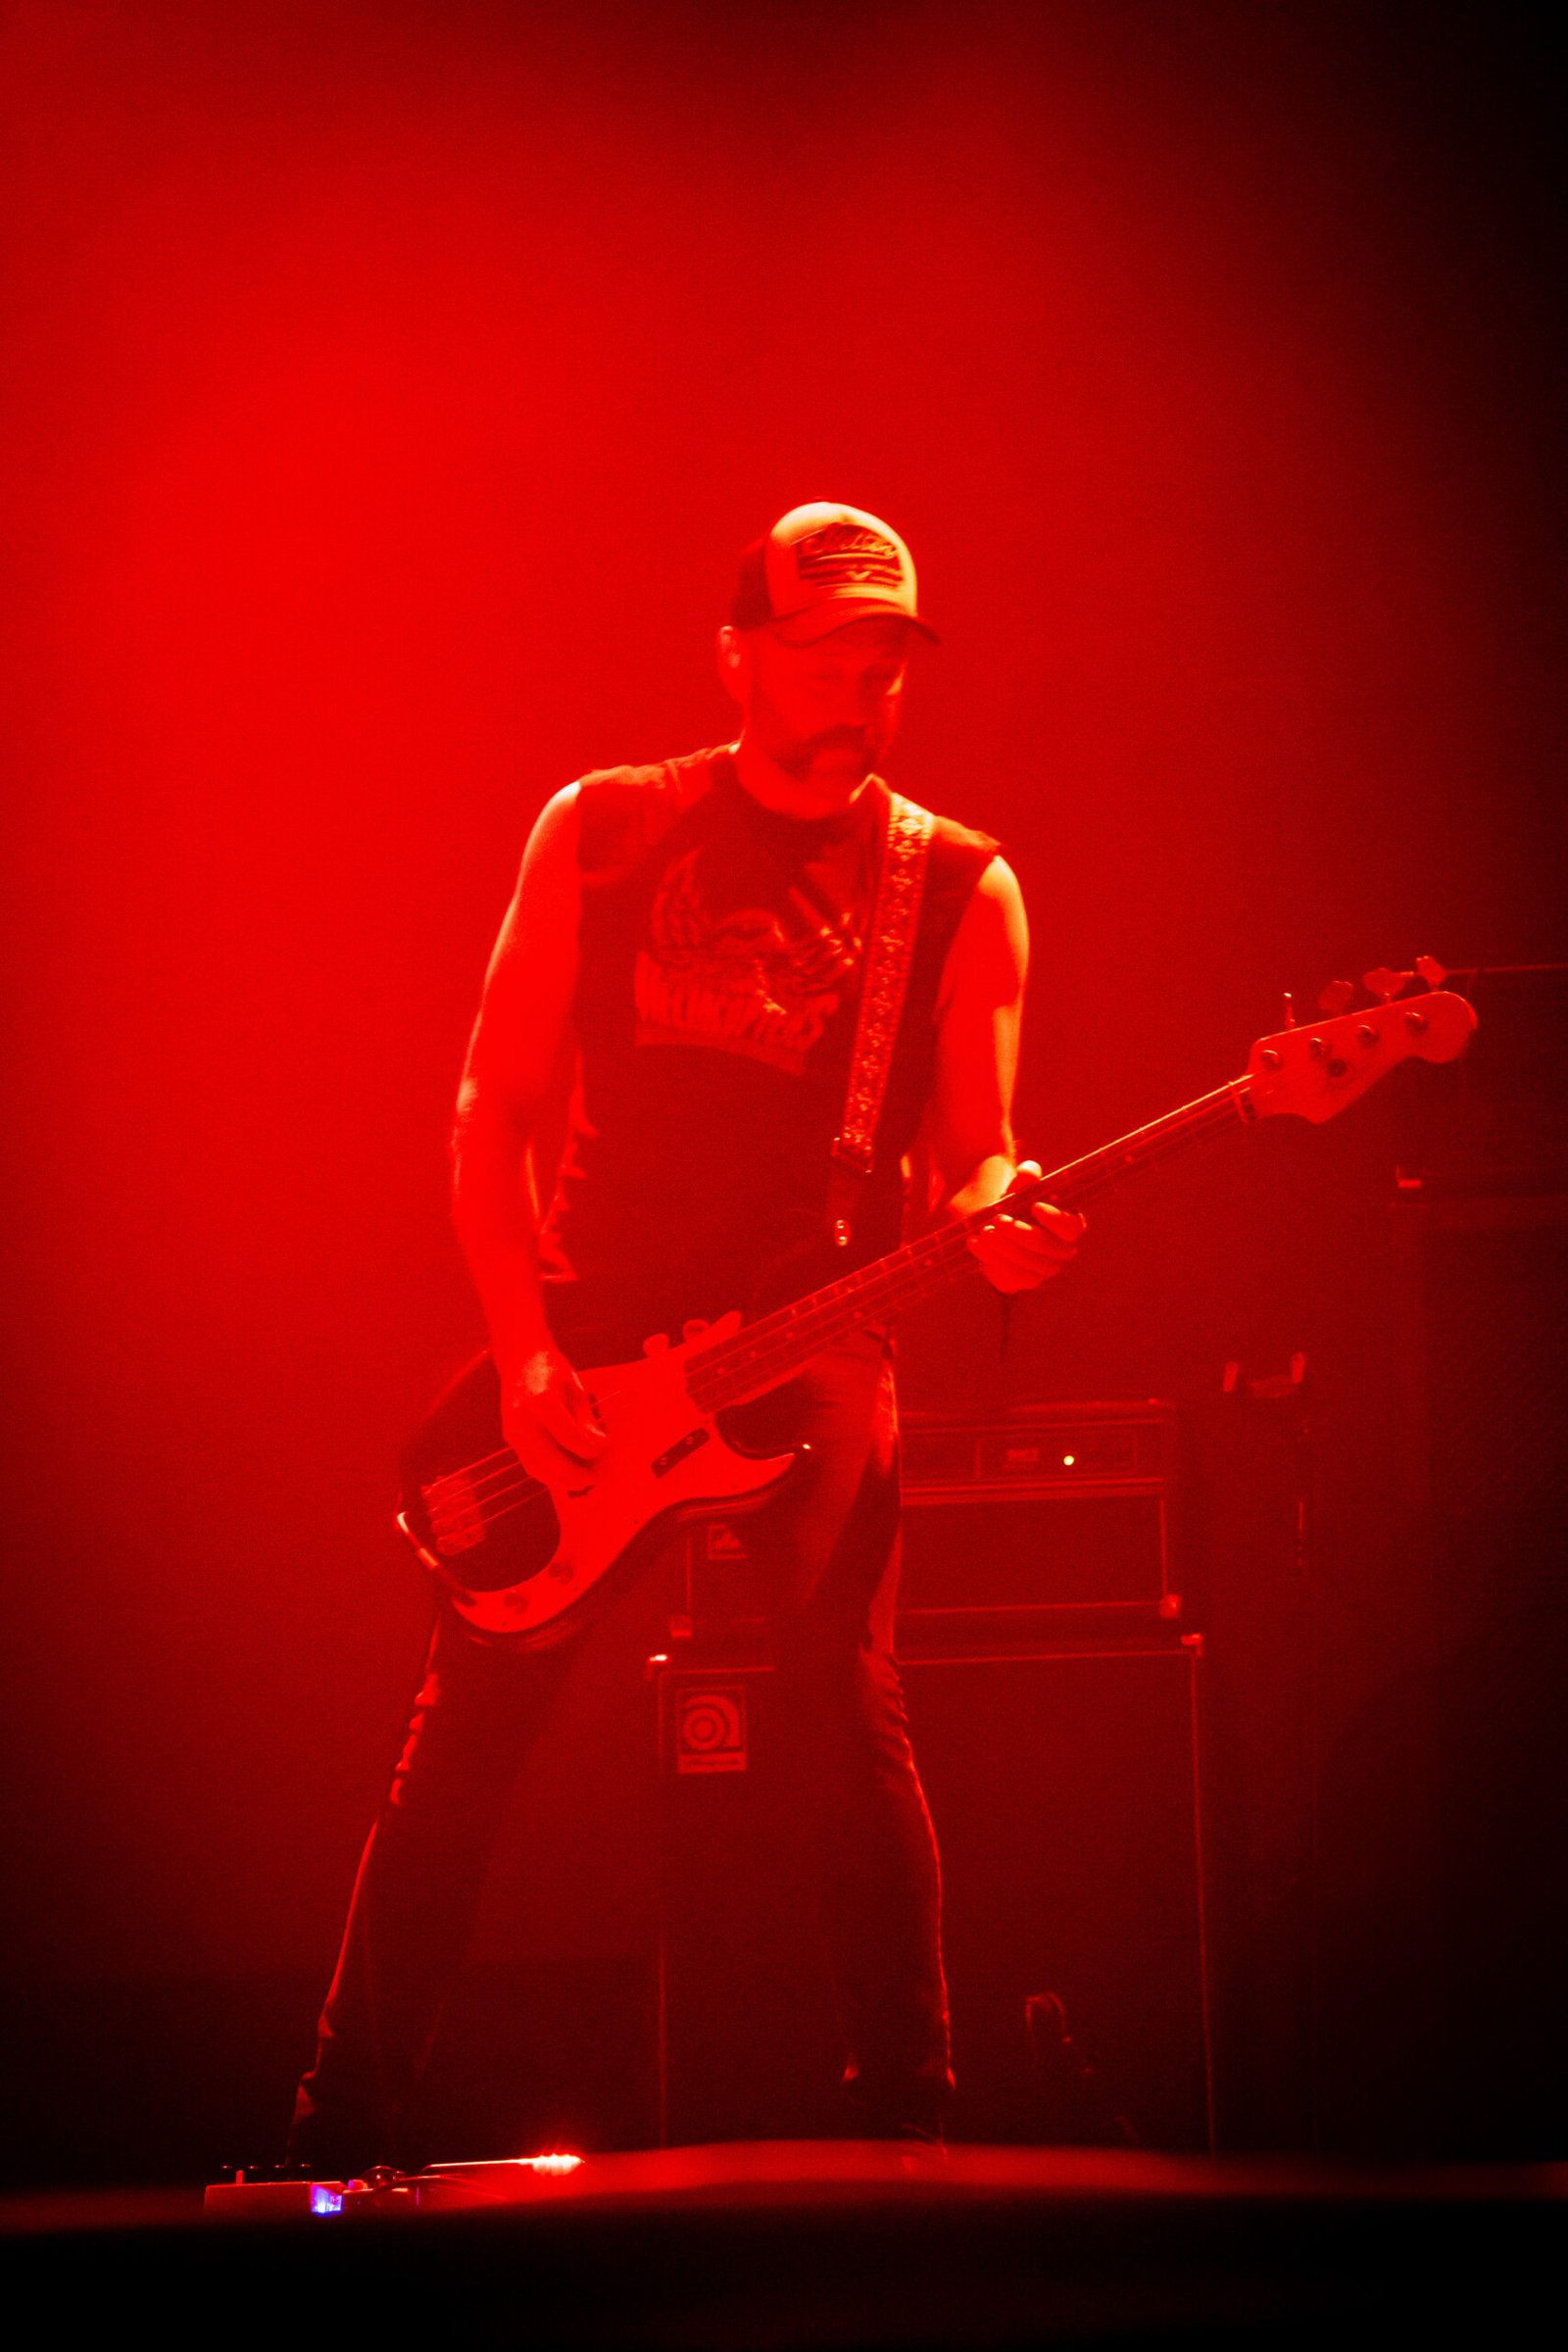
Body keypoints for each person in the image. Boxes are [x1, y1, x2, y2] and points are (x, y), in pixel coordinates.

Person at [288, 502, 1083, 2172]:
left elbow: (977, 1157)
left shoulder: (959, 883)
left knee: (846, 1705)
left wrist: (1003, 1224)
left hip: (813, 1336)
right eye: (826, 656)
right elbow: (491, 1108)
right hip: (588, 1342)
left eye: (885, 663)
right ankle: (332, 2139)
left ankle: (909, 2134)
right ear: (737, 657)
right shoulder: (603, 828)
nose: (860, 689)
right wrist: (523, 1350)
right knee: (464, 1741)